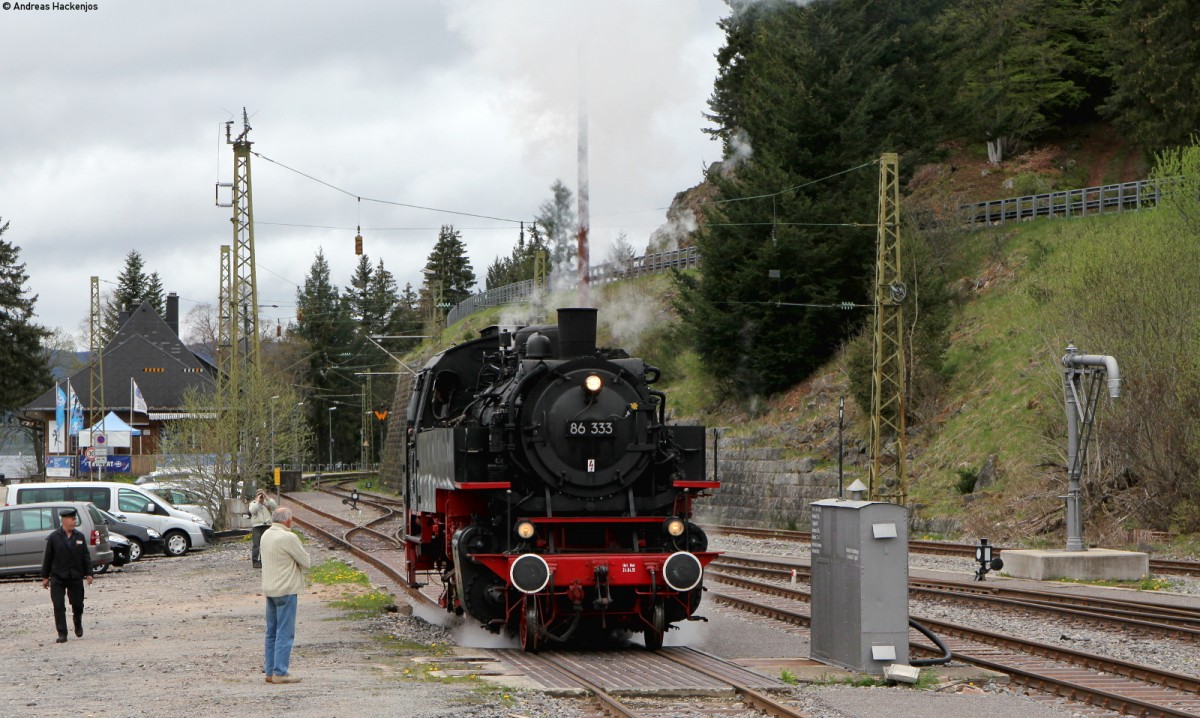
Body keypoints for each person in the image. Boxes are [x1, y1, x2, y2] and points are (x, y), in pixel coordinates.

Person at [261, 507, 310, 684]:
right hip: (286, 589)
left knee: (271, 632)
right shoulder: (289, 537)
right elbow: (306, 561)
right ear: (288, 520)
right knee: (285, 632)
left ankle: (270, 671)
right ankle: (280, 672)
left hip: (270, 589)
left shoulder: (266, 534)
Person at [41, 507, 94, 643]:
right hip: (58, 576)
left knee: (78, 604)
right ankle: (62, 633)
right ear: (64, 520)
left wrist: (89, 573)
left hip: (75, 576)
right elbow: (48, 557)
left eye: (75, 519)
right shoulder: (54, 537)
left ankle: (77, 621)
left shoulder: (79, 536)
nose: (75, 521)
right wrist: (45, 577)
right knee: (58, 605)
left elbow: (86, 556)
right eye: (72, 519)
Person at [248, 489, 277, 569]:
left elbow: (274, 507)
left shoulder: (268, 502)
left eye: (262, 494)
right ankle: (255, 561)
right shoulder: (253, 503)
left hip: (267, 524)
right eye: (259, 494)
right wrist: (258, 502)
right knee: (256, 544)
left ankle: (263, 561)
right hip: (257, 525)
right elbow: (253, 511)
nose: (261, 496)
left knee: (266, 544)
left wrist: (267, 498)